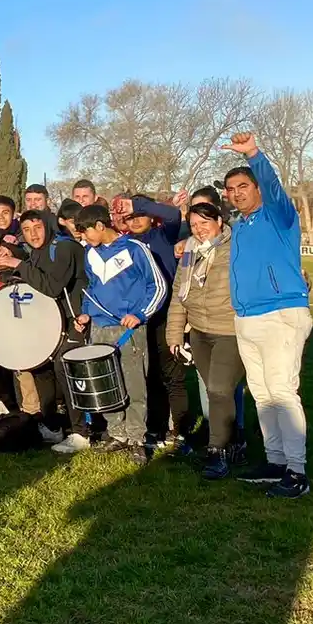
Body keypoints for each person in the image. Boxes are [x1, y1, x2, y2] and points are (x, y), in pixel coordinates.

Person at [222, 131, 313, 498]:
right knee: (261, 393)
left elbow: (276, 190)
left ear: (258, 189)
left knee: (282, 391)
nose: (236, 193)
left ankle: (297, 471)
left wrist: (255, 155)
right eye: (231, 189)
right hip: (247, 318)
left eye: (243, 186)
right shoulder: (240, 226)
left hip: (281, 314)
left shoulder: (279, 216)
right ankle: (275, 460)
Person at [0, 209, 90, 450]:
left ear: (48, 225)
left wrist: (15, 263)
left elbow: (52, 286)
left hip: (75, 320)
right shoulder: (37, 252)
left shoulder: (64, 247)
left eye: (37, 227)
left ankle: (81, 432)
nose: (33, 234)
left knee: (66, 372)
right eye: (26, 230)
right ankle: (53, 426)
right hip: (51, 324)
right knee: (42, 369)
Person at [75, 204, 167, 461]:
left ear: (101, 226)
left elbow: (157, 285)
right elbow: (92, 287)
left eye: (86, 233)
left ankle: (137, 438)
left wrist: (140, 314)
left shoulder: (135, 249)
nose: (84, 239)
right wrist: (85, 313)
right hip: (99, 329)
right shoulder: (90, 253)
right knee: (106, 385)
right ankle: (117, 434)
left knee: (135, 384)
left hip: (129, 329)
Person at [165, 200, 244, 480]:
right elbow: (179, 294)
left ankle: (217, 451)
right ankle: (234, 440)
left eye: (205, 223)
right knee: (214, 392)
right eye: (194, 225)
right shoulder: (189, 251)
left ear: (219, 222)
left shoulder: (237, 246)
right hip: (199, 332)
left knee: (220, 389)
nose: (199, 230)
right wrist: (175, 334)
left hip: (229, 331)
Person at [113, 190, 188, 448]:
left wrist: (139, 203)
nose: (134, 221)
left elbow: (173, 214)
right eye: (130, 217)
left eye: (140, 215)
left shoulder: (162, 236)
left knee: (172, 375)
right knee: (148, 375)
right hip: (138, 320)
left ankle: (179, 430)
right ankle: (154, 428)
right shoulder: (124, 245)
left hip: (165, 315)